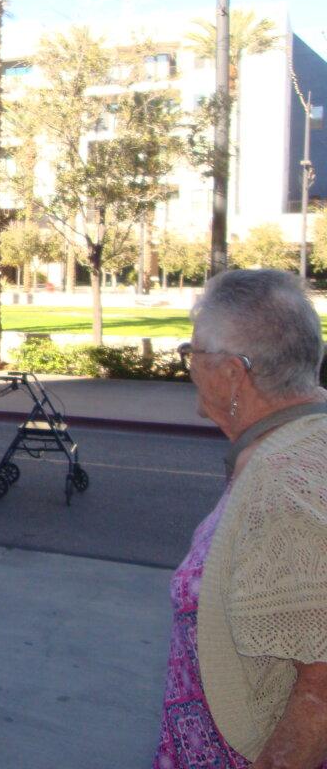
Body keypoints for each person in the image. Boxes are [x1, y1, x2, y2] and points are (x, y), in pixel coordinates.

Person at [154, 269, 327, 769]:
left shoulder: (288, 481)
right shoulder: (290, 450)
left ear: (232, 373)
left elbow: (320, 689)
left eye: (193, 355)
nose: (189, 367)